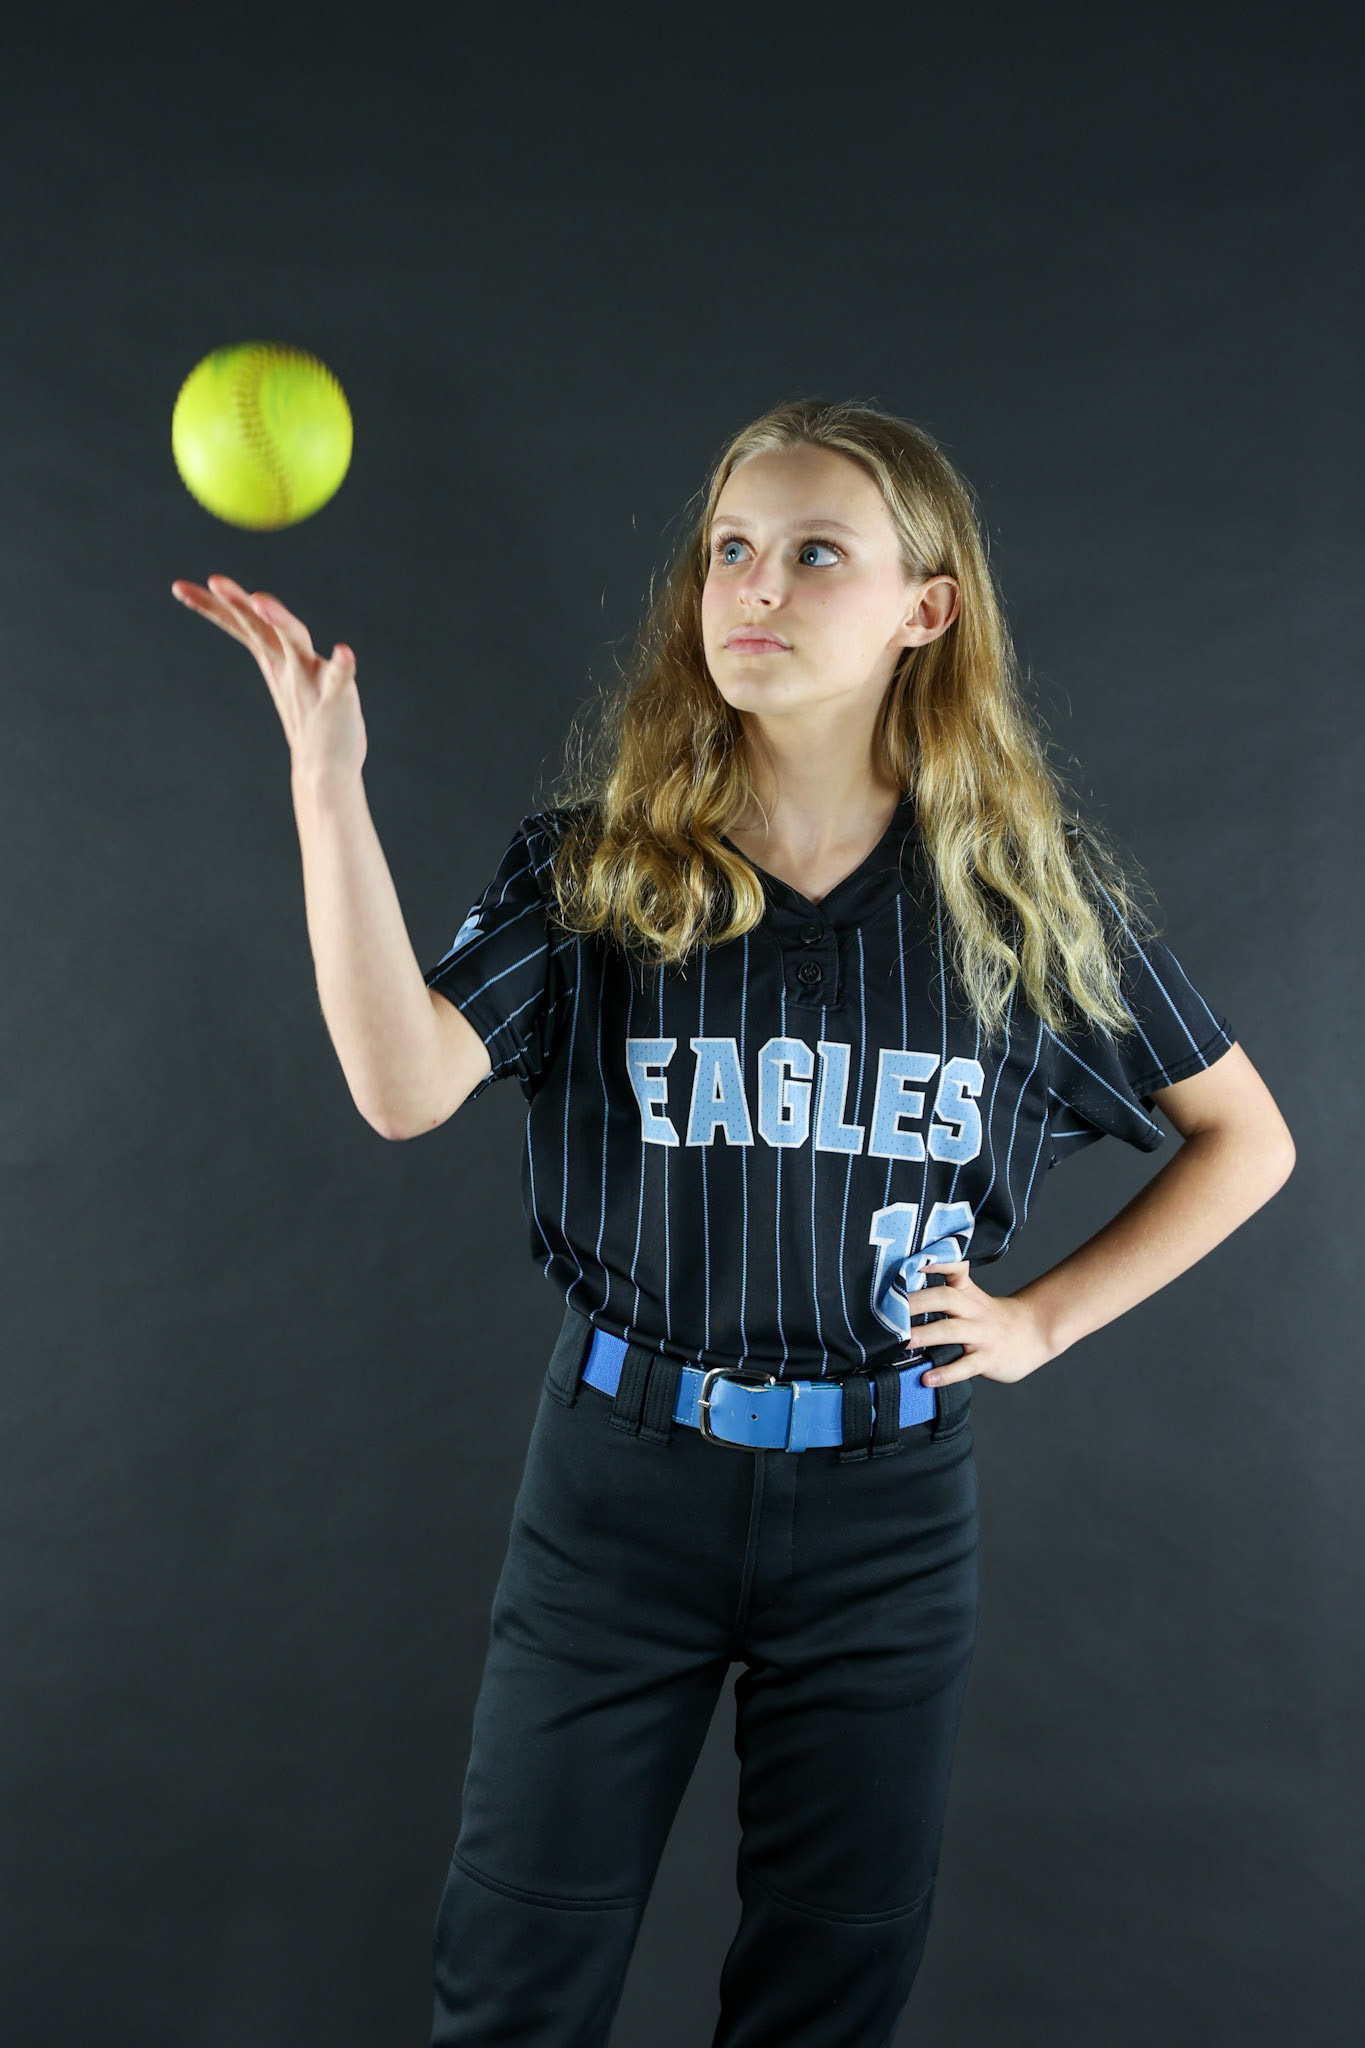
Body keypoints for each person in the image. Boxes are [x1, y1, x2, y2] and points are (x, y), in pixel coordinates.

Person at [171, 398, 1295, 2048]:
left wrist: (1041, 1319)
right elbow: (401, 1089)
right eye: (730, 551)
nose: (753, 586)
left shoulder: (1021, 902)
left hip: (887, 1510)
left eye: (814, 554)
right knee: (513, 1983)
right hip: (620, 1486)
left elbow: (1243, 1140)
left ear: (927, 610)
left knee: (827, 1992)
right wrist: (323, 786)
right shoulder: (601, 872)